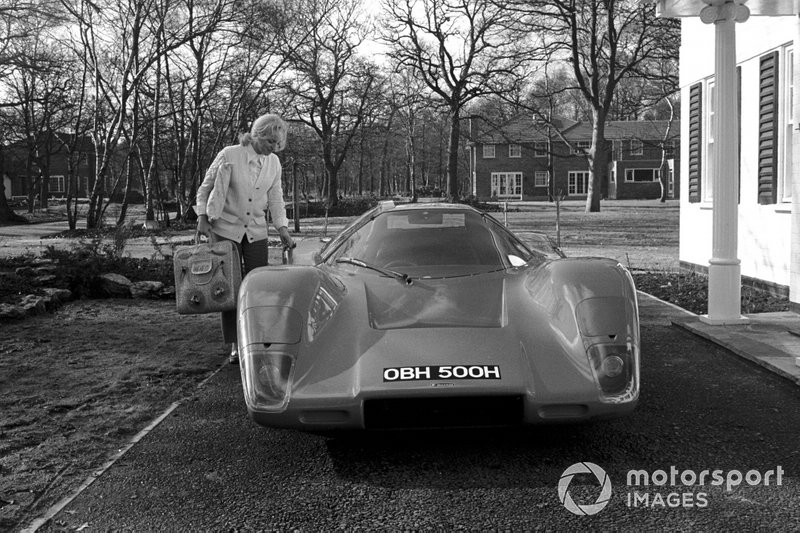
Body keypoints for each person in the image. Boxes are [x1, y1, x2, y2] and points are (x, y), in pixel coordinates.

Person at [195, 113, 295, 364]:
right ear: (257, 134)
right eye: (270, 141)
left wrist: (282, 228)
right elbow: (205, 188)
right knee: (229, 289)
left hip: (256, 232)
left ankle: (257, 339)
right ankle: (235, 346)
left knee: (257, 288)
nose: (273, 148)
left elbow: (275, 198)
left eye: (277, 144)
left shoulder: (273, 163)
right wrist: (202, 217)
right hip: (225, 228)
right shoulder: (229, 154)